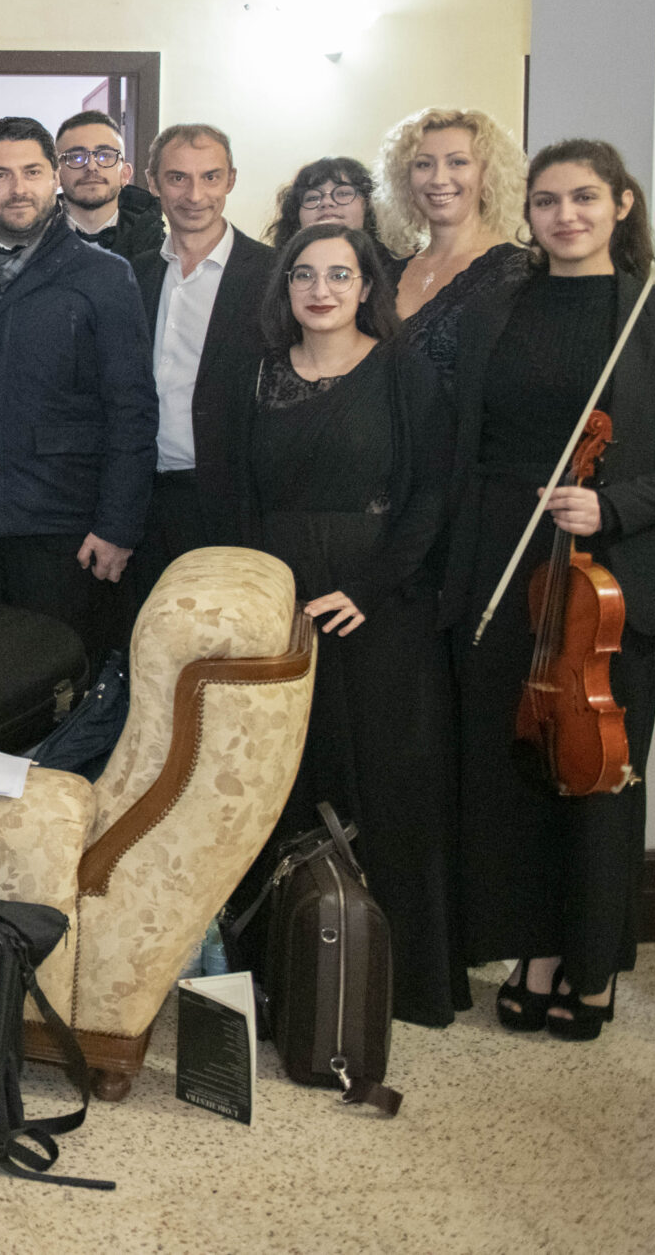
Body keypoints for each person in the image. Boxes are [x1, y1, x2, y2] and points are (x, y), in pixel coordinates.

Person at [446, 140, 655, 1040]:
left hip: (614, 572)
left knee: (600, 772)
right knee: (520, 771)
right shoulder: (500, 308)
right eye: (546, 201)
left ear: (621, 204)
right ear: (526, 212)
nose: (564, 215)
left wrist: (611, 505)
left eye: (583, 197)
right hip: (506, 560)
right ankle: (534, 948)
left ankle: (593, 960)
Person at [228, 223, 459, 1026]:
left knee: (384, 780)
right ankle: (290, 972)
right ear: (285, 288)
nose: (320, 289)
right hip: (281, 601)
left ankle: (394, 979)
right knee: (284, 780)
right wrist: (262, 596)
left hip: (377, 605)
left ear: (366, 287)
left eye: (338, 274)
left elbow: (431, 494)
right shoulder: (259, 374)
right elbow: (240, 498)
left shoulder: (404, 369)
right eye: (304, 274)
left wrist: (369, 585)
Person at [0, 118, 155, 669]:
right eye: (0, 174)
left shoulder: (105, 275)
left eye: (31, 172)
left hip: (64, 525)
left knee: (59, 682)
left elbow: (132, 408)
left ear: (54, 178)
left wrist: (118, 526)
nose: (17, 188)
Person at [127, 124, 275, 606]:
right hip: (143, 500)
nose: (195, 195)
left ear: (231, 179)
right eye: (178, 178)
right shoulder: (133, 273)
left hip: (232, 502)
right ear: (153, 182)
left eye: (210, 177)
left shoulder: (273, 276)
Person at [378, 106, 534, 380]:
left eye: (458, 162)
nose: (438, 179)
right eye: (423, 164)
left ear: (488, 173)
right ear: (405, 177)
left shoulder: (520, 273)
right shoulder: (387, 273)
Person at [55, 111, 163, 265]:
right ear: (56, 175)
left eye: (105, 156)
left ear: (125, 174)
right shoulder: (30, 244)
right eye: (76, 157)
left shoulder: (160, 250)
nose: (91, 167)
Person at [266, 155, 383, 249]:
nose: (326, 202)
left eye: (343, 194)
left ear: (369, 204)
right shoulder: (273, 269)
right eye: (312, 198)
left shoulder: (394, 268)